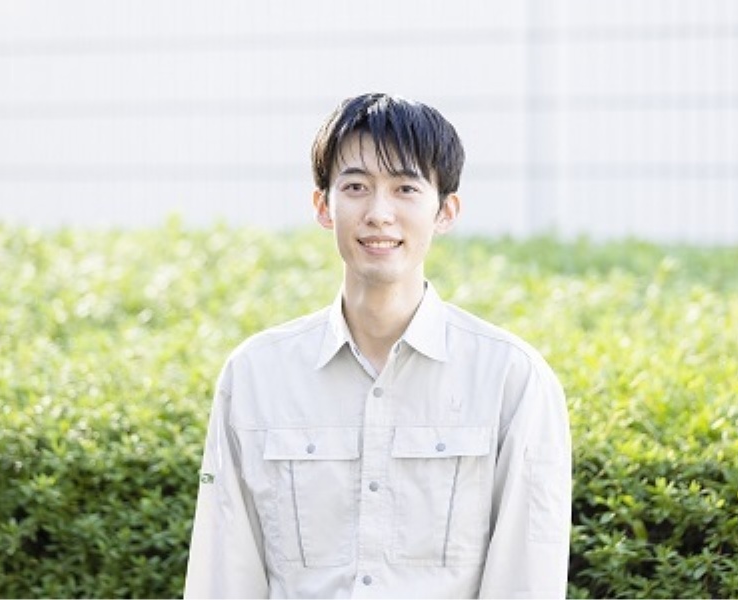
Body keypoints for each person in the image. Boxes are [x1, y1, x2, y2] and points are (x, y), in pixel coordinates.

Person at [184, 93, 572, 599]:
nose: (379, 213)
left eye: (405, 188)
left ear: (445, 211)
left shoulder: (511, 379)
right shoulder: (256, 374)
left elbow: (526, 579)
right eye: (356, 187)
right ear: (323, 206)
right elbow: (223, 573)